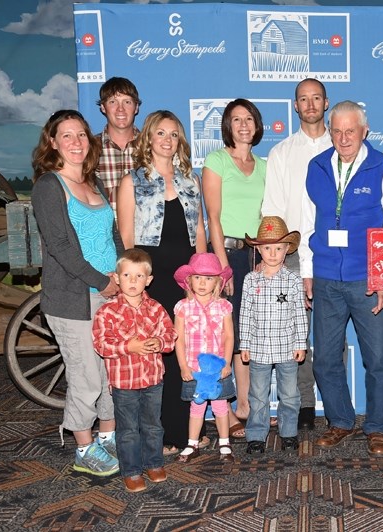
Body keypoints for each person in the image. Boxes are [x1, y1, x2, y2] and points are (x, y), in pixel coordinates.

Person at [299, 100, 383, 456]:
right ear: (330, 132)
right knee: (326, 358)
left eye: (351, 131)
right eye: (338, 131)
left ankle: (377, 426)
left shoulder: (382, 167)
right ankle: (340, 421)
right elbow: (307, 222)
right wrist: (308, 271)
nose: (344, 138)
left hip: (367, 279)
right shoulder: (316, 167)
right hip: (326, 277)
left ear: (364, 132)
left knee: (377, 359)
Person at [31, 109, 123, 476]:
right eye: (66, 136)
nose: (75, 142)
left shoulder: (93, 182)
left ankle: (108, 438)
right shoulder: (48, 186)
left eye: (81, 134)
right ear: (52, 143)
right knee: (85, 375)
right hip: (73, 298)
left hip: (107, 292)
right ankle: (84, 449)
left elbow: (112, 236)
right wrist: (101, 281)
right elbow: (60, 247)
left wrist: (119, 275)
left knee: (108, 373)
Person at [116, 110, 208, 456]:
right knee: (157, 355)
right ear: (149, 139)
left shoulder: (190, 180)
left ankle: (186, 432)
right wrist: (133, 285)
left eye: (173, 135)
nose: (167, 140)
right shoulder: (132, 181)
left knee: (184, 350)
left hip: (185, 276)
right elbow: (127, 239)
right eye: (160, 133)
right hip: (151, 279)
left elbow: (198, 230)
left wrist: (203, 274)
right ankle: (162, 435)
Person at [262, 78, 332, 430]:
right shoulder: (281, 153)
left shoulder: (344, 146)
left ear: (326, 102)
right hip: (291, 256)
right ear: (295, 106)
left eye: (315, 97)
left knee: (333, 333)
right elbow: (272, 210)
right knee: (295, 334)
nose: (309, 104)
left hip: (336, 255)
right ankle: (304, 404)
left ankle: (336, 403)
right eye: (303, 99)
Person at [202, 98, 267, 437]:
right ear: (227, 125)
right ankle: (235, 407)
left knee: (252, 332)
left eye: (248, 119)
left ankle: (247, 404)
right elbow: (212, 216)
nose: (243, 125)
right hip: (226, 255)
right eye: (236, 119)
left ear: (257, 125)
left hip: (258, 258)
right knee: (231, 333)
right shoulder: (216, 161)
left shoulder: (265, 165)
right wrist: (223, 267)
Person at [92, 249, 177, 491]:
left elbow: (170, 334)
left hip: (152, 379)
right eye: (127, 275)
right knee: (128, 429)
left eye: (139, 276)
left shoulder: (156, 308)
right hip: (124, 382)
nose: (132, 281)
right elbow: (101, 344)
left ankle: (154, 463)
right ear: (116, 278)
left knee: (153, 425)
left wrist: (159, 343)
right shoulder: (107, 312)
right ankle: (131, 470)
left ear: (148, 280)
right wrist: (130, 346)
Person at [240, 216, 309, 454]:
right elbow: (245, 314)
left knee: (289, 395)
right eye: (267, 248)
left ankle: (288, 433)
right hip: (258, 349)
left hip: (287, 348)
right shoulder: (250, 280)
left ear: (287, 250)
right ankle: (256, 435)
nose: (272, 253)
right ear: (258, 249)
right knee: (257, 396)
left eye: (278, 248)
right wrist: (244, 343)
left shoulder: (292, 280)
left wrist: (301, 343)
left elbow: (300, 313)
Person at [172, 253, 237, 462]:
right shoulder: (182, 307)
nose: (202, 283)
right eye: (198, 277)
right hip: (194, 368)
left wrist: (227, 363)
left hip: (218, 367)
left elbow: (229, 336)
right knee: (196, 406)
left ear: (218, 282)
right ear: (189, 280)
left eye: (209, 278)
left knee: (220, 405)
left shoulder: (224, 306)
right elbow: (178, 339)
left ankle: (225, 442)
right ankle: (193, 443)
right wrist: (183, 366)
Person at [95, 77, 140, 215]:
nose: (121, 109)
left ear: (136, 107)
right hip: (103, 234)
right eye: (113, 102)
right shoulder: (88, 149)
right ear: (103, 107)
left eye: (127, 102)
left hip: (146, 234)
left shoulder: (152, 147)